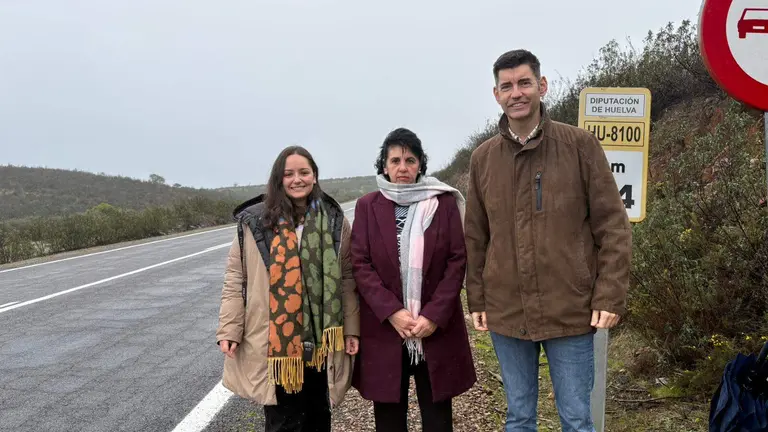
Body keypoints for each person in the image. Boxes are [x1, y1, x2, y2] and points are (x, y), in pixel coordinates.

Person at [464, 49, 632, 431]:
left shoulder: (580, 146)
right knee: (519, 417)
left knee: (575, 418)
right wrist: (478, 297)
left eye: (524, 83)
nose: (516, 93)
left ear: (541, 86)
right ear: (496, 95)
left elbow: (613, 226)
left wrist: (609, 293)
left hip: (570, 310)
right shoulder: (482, 159)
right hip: (507, 310)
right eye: (506, 86)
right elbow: (475, 236)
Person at [215, 145, 360, 432]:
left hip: (321, 339)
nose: (297, 179)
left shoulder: (333, 220)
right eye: (289, 174)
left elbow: (346, 277)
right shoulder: (256, 221)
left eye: (304, 172)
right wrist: (229, 329)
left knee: (318, 416)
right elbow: (235, 278)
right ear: (278, 179)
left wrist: (352, 328)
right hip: (276, 336)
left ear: (315, 176)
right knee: (282, 422)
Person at [350, 128, 476, 432]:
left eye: (410, 160)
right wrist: (392, 312)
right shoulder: (367, 206)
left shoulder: (442, 203)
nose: (402, 167)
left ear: (420, 164)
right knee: (389, 422)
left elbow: (457, 260)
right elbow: (360, 263)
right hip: (387, 328)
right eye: (395, 160)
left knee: (437, 420)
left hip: (432, 329)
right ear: (384, 166)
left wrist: (433, 316)